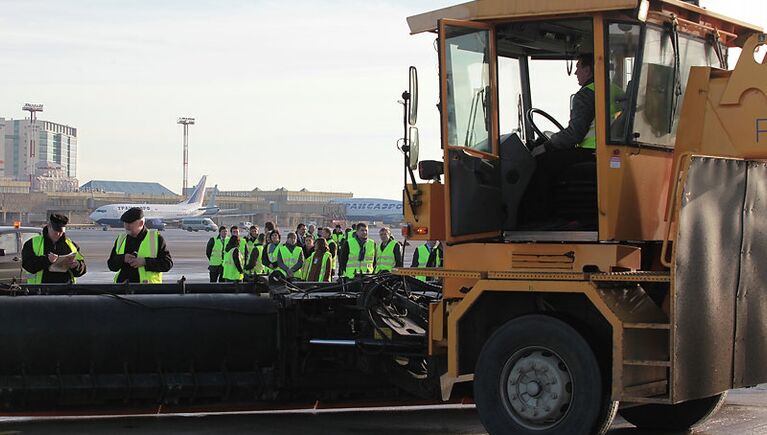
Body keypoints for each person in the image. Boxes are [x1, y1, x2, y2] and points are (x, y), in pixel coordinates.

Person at [522, 53, 597, 224]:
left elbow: (575, 134)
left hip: (590, 151)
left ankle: (536, 218)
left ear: (588, 69)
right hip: (603, 152)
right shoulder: (613, 90)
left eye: (578, 67)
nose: (576, 73)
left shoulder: (585, 95)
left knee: (541, 163)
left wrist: (547, 146)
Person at [108, 207, 173, 283]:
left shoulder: (155, 238)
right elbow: (111, 265)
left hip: (146, 289)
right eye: (125, 223)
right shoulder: (121, 239)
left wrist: (145, 262)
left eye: (130, 223)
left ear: (141, 223)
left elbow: (167, 264)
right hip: (122, 287)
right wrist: (122, 258)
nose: (126, 226)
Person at [22, 213, 87, 284]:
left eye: (61, 232)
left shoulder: (71, 245)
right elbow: (27, 265)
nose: (58, 234)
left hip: (66, 290)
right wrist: (47, 260)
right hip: (41, 290)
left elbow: (82, 269)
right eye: (55, 232)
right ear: (49, 226)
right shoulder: (32, 243)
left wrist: (76, 265)